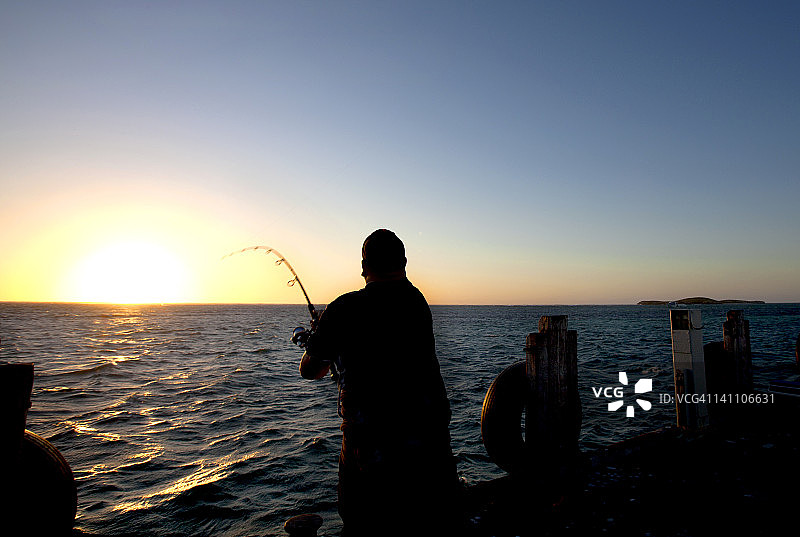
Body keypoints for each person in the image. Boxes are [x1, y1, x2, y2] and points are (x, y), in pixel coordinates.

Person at [298, 229, 460, 536]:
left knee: (365, 528)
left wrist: (319, 337)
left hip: (369, 457)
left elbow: (311, 370)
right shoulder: (417, 303)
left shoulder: (343, 309)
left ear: (363, 267)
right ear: (404, 262)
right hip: (429, 449)